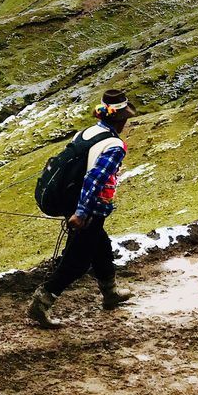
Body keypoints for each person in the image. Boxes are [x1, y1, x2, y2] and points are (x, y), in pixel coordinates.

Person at [29, 89, 137, 328]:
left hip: (71, 200)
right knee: (77, 260)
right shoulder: (115, 145)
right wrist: (81, 213)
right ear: (120, 120)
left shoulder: (87, 132)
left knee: (101, 245)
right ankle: (42, 302)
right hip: (87, 207)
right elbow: (94, 180)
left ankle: (110, 293)